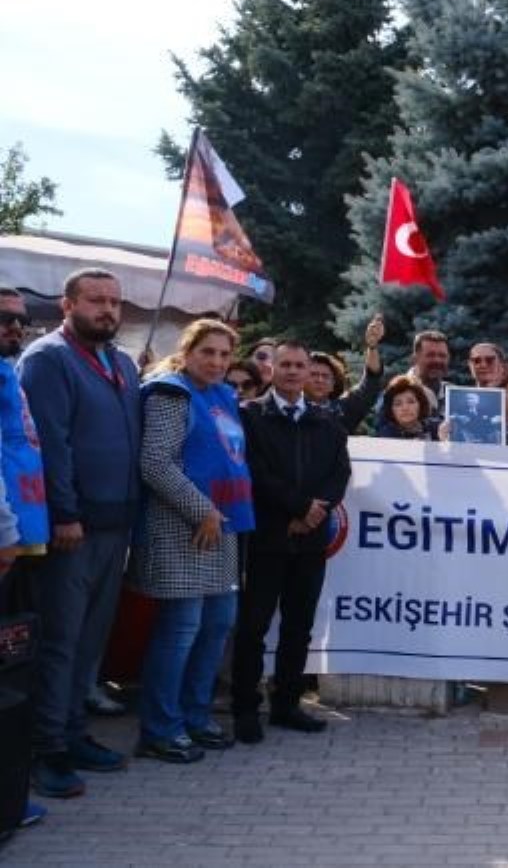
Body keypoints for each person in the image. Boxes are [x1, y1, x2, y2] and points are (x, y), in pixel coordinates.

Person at [18, 268, 142, 798]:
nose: (108, 310)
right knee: (60, 642)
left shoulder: (122, 363)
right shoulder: (48, 359)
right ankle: (46, 750)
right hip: (73, 528)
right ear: (67, 304)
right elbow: (49, 443)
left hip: (117, 524)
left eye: (114, 301)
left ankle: (72, 731)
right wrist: (64, 512)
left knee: (90, 643)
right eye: (96, 300)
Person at [133, 320, 253, 763]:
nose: (218, 362)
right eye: (209, 352)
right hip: (181, 529)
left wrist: (215, 515)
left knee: (218, 625)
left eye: (225, 354)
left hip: (220, 528)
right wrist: (201, 509)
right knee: (181, 631)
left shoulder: (222, 396)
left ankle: (195, 716)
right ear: (187, 352)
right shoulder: (171, 393)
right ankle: (161, 728)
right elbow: (156, 464)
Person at [231, 340, 352, 744]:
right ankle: (245, 708)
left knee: (298, 627)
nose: (292, 371)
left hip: (310, 543)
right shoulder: (250, 416)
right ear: (272, 369)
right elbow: (254, 472)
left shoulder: (326, 421)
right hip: (267, 537)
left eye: (300, 365)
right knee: (253, 627)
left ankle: (286, 705)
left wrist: (315, 511)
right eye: (285, 364)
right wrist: (298, 508)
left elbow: (339, 474)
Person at [0, 287, 49, 829]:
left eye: (19, 320)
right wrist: (6, 532)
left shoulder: (8, 373)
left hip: (24, 538)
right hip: (7, 544)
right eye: (3, 319)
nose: (14, 328)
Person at [306, 315, 386, 434]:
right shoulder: (288, 408)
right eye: (313, 375)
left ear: (334, 383)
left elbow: (371, 381)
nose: (319, 380)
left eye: (325, 376)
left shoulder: (344, 410)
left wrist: (372, 346)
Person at [376, 376, 439, 441]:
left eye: (411, 402)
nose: (405, 408)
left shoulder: (435, 428)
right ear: (391, 410)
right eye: (398, 404)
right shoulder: (386, 435)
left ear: (421, 404)